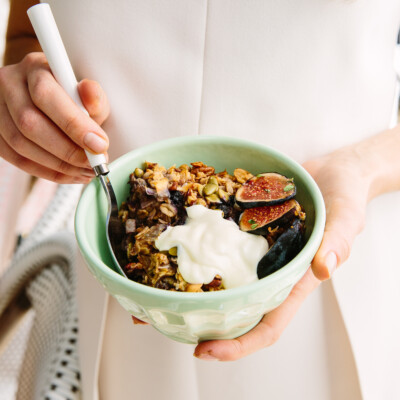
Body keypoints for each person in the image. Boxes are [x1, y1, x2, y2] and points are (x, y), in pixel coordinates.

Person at [2, 0, 400, 399]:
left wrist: (365, 165)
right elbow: (26, 34)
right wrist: (26, 99)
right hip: (125, 271)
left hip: (329, 256)